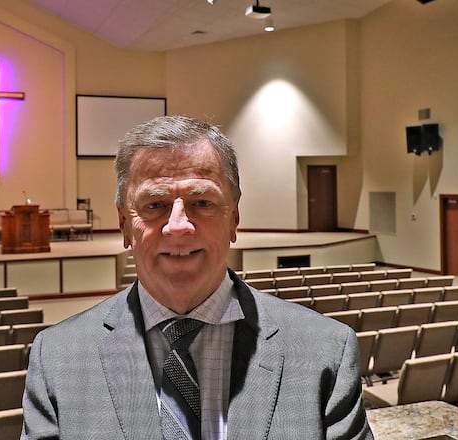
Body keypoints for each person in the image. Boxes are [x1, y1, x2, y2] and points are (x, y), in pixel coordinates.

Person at [21, 115, 373, 439]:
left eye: (202, 202)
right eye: (154, 204)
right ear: (123, 224)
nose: (178, 226)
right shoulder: (58, 358)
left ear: (234, 219)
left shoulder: (326, 351)